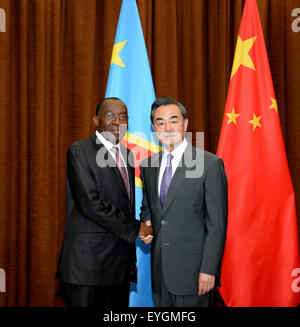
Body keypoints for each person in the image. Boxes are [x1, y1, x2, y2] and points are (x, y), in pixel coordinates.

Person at [56, 97, 153, 307]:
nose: (118, 121)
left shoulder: (127, 155)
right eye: (110, 115)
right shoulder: (80, 150)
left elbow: (124, 205)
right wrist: (138, 228)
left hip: (119, 266)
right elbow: (90, 204)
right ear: (95, 120)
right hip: (87, 266)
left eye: (124, 116)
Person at [139, 96, 228, 307]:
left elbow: (217, 225)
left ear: (186, 124)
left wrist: (209, 269)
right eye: (160, 122)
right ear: (154, 128)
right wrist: (147, 224)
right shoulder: (147, 165)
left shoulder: (209, 164)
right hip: (160, 272)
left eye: (173, 120)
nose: (167, 127)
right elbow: (148, 207)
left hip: (195, 274)